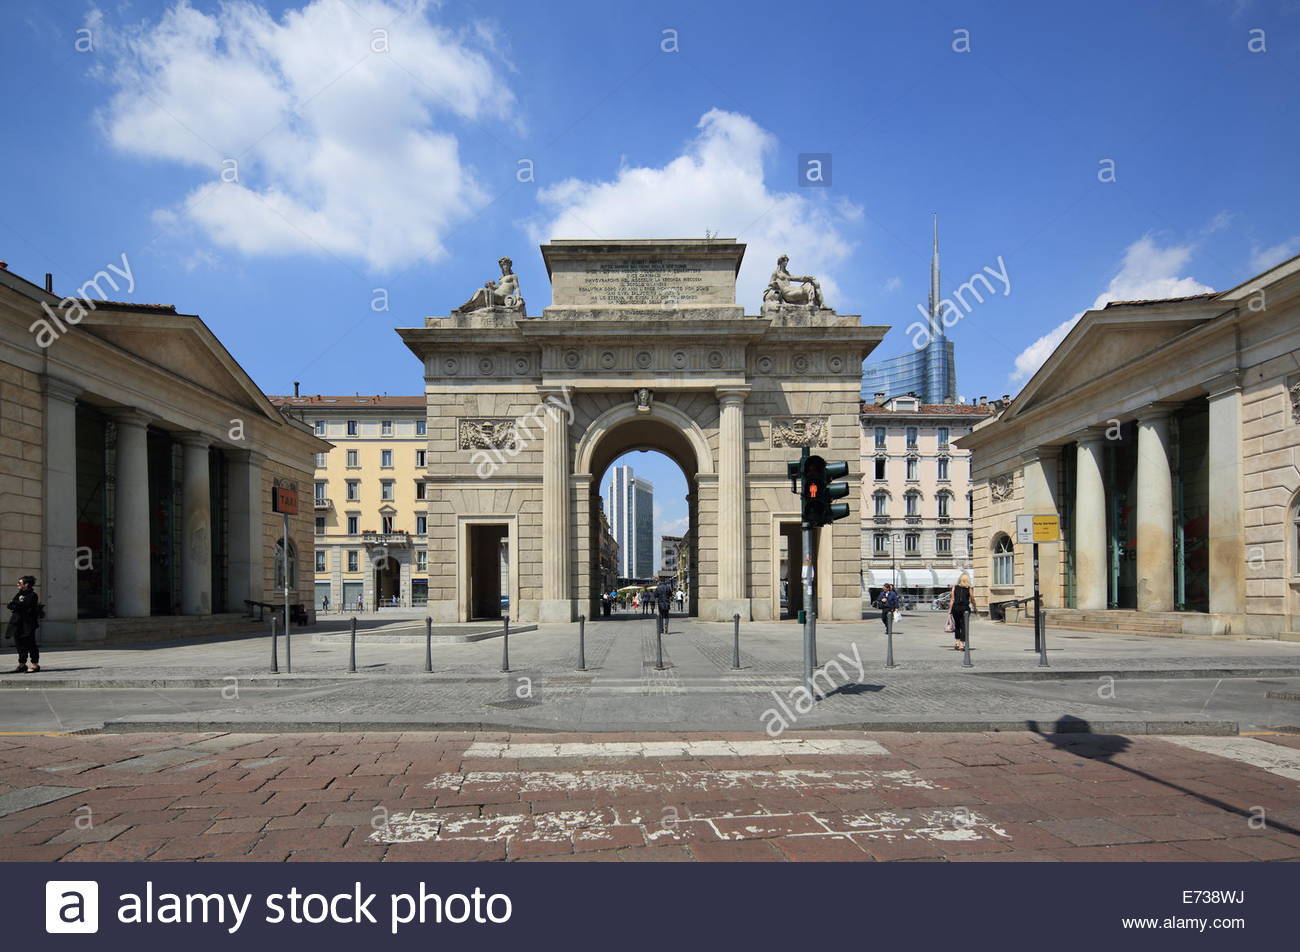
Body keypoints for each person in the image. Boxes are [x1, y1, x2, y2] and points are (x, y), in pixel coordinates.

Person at [6, 576, 42, 673]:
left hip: (28, 624)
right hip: (17, 622)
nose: (17, 584)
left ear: (26, 584)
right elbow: (10, 605)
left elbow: (26, 606)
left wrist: (15, 604)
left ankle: (35, 665)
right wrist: (16, 604)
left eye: (19, 582)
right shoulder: (19, 594)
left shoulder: (33, 595)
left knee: (30, 644)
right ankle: (22, 664)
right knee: (19, 644)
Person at [950, 573, 976, 651]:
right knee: (964, 626)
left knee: (957, 625)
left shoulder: (954, 587)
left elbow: (952, 599)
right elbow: (972, 599)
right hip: (965, 609)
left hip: (955, 608)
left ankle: (957, 642)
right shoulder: (969, 588)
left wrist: (950, 610)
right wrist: (975, 607)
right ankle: (962, 644)